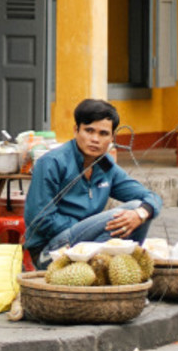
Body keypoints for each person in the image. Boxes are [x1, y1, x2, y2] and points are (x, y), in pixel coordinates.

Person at [23, 98, 162, 270]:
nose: (95, 139)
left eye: (103, 134)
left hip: (86, 243)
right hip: (51, 252)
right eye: (89, 131)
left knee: (137, 208)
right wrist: (88, 226)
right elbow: (39, 219)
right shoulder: (52, 163)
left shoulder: (106, 167)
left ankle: (125, 267)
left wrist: (141, 213)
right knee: (120, 214)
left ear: (112, 137)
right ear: (76, 130)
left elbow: (152, 197)